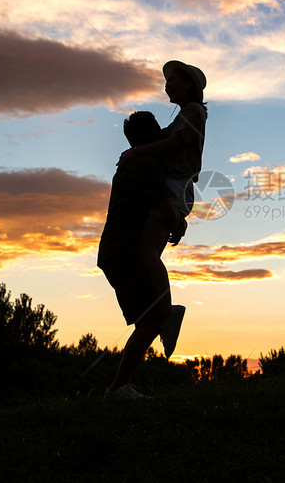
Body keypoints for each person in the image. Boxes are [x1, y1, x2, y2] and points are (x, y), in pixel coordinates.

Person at [118, 60, 207, 366]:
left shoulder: (194, 110)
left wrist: (134, 152)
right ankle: (162, 314)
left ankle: (168, 315)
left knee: (146, 254)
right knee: (147, 254)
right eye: (166, 81)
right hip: (171, 187)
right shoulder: (185, 114)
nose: (167, 85)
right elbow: (161, 139)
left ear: (189, 86)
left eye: (173, 80)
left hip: (175, 188)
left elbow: (168, 143)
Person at [98, 111, 184, 400]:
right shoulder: (146, 165)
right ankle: (117, 389)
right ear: (153, 134)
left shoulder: (133, 163)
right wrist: (178, 222)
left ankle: (120, 387)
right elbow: (167, 209)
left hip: (117, 252)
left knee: (147, 319)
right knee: (150, 321)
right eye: (158, 129)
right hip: (124, 253)